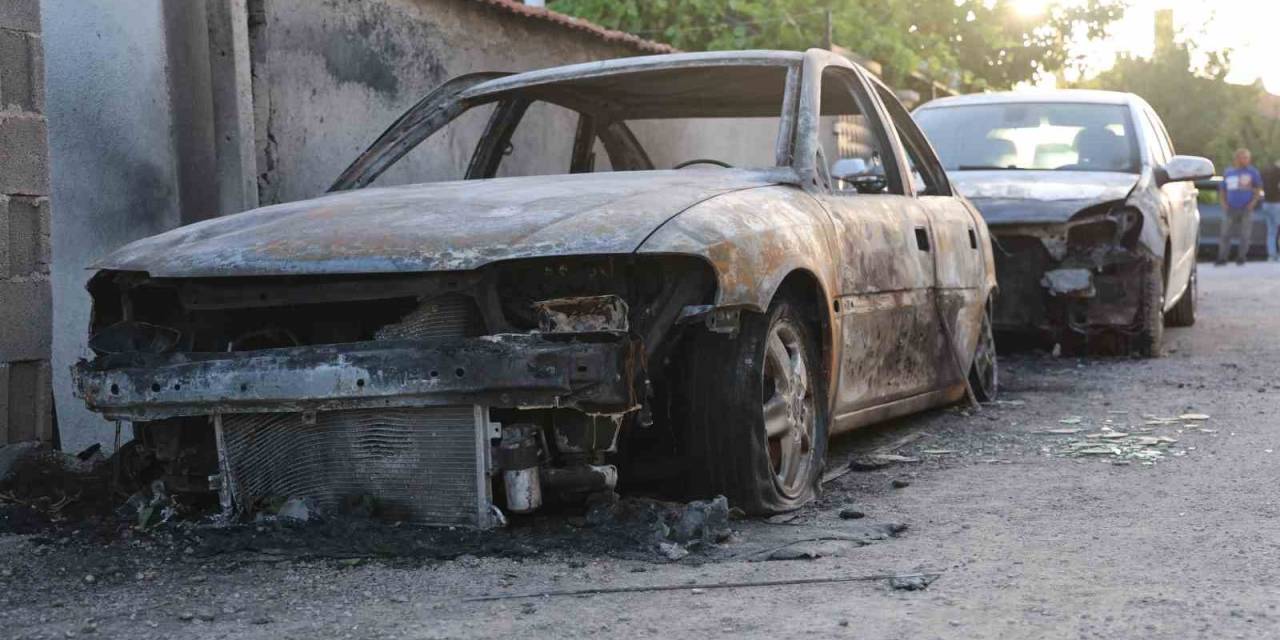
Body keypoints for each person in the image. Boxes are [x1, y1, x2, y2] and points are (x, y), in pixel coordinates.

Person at [1217, 148, 1265, 266]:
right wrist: (1223, 202)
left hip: (1246, 208)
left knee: (1245, 234)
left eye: (1248, 158)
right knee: (1225, 234)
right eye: (1244, 157)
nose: (1246, 160)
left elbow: (1258, 189)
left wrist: (1253, 202)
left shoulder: (1252, 172)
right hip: (1230, 208)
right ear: (1237, 159)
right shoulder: (1229, 172)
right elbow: (1222, 189)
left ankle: (1241, 257)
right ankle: (1222, 258)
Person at [1262, 159, 1280, 261]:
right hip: (1277, 204)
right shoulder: (1278, 173)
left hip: (1266, 203)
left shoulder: (1266, 172)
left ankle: (1271, 255)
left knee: (1271, 231)